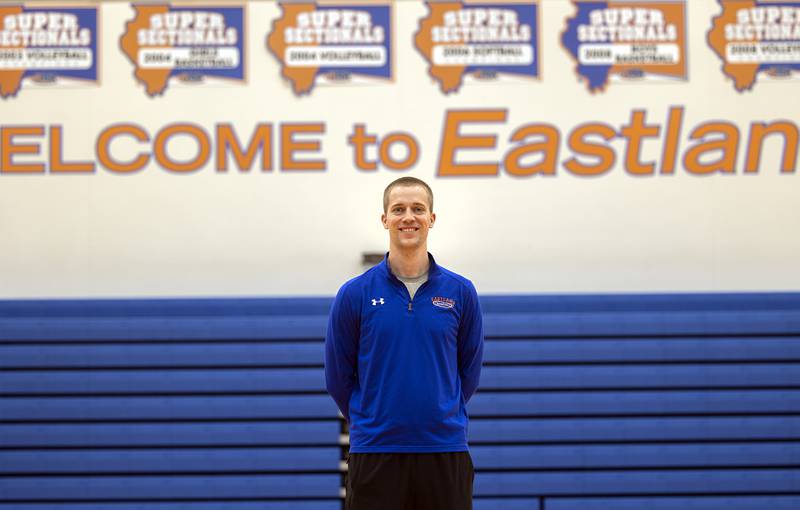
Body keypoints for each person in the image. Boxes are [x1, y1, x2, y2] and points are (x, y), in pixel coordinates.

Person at [325, 176, 484, 510]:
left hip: (444, 450)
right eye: (398, 209)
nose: (408, 217)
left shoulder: (461, 292)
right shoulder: (354, 294)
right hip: (375, 451)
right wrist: (374, 419)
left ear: (432, 218)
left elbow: (468, 373)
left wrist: (438, 413)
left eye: (417, 209)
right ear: (385, 219)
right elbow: (338, 378)